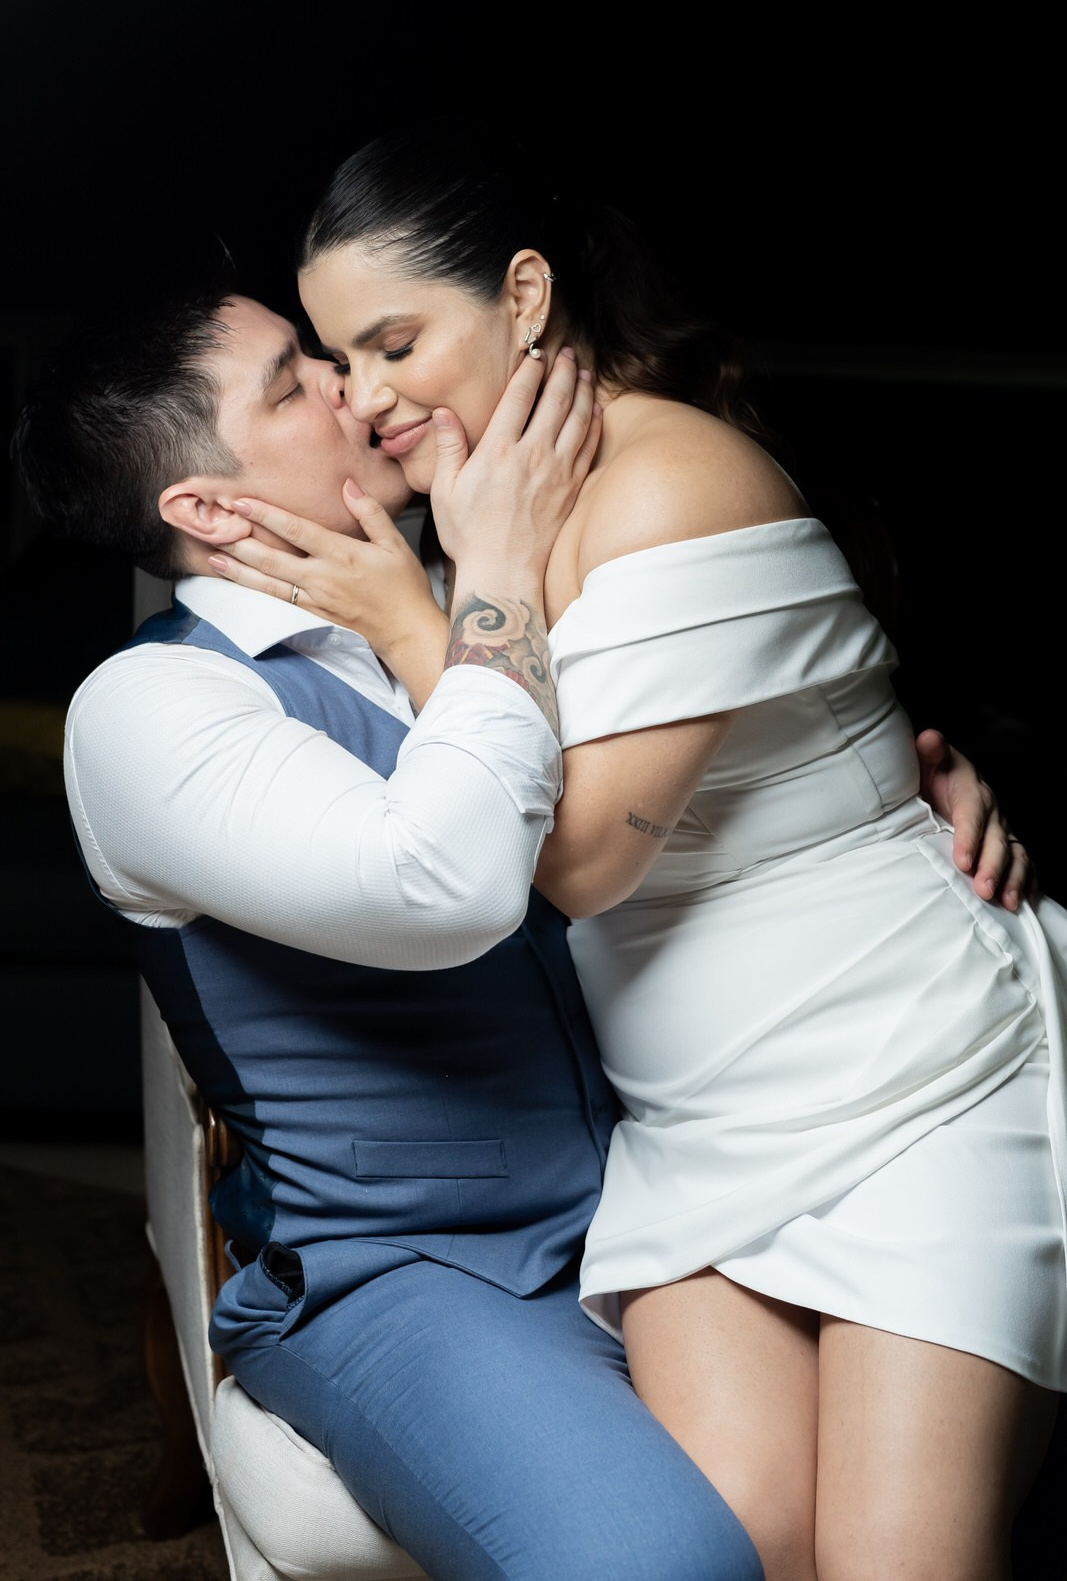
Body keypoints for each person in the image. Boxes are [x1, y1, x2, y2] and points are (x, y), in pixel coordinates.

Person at [208, 123, 1065, 1581]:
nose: (366, 396)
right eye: (341, 361)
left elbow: (580, 865)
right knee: (731, 1547)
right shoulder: (476, 519)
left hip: (916, 1075)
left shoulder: (670, 481)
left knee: (895, 1559)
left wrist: (421, 622)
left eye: (396, 343)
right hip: (694, 1123)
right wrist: (458, 582)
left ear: (526, 296)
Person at [11, 285, 768, 1581]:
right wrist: (496, 579)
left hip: (668, 1182)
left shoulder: (478, 581)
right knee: (661, 1563)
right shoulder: (151, 709)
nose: (353, 387)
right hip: (409, 1273)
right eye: (294, 384)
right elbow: (446, 887)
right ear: (209, 510)